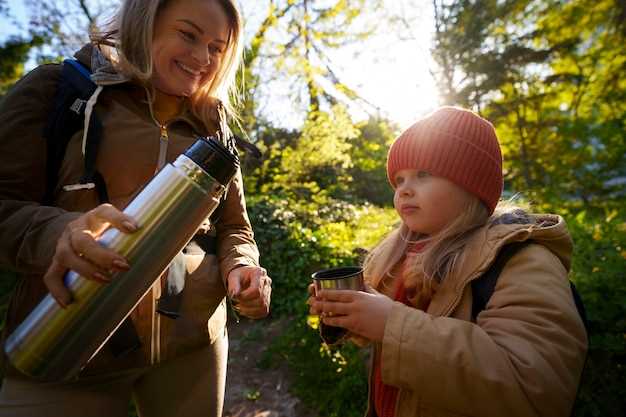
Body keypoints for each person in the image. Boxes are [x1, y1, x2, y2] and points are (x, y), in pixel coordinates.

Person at [0, 0, 271, 416]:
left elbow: (235, 226)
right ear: (144, 24)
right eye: (188, 34)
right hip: (62, 345)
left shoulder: (212, 123)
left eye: (217, 48)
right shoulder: (58, 89)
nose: (202, 59)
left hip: (193, 348)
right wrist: (60, 233)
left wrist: (242, 269)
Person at [309, 106, 587, 417]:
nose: (404, 190)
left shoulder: (521, 260)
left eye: (423, 174)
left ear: (471, 186)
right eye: (399, 180)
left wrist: (391, 324)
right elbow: (395, 342)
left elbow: (534, 390)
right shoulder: (402, 255)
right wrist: (355, 316)